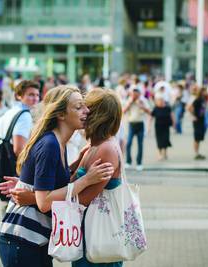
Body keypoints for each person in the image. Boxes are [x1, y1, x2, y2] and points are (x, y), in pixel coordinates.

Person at [0, 85, 114, 267]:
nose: (87, 111)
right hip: (22, 241)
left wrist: (28, 185)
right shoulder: (50, 144)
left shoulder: (59, 143)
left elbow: (53, 183)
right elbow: (44, 202)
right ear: (61, 115)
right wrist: (86, 180)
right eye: (78, 107)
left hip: (34, 242)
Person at [71, 87, 124, 267]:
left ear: (97, 115)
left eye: (85, 108)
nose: (82, 112)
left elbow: (83, 199)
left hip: (99, 239)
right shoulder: (93, 145)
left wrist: (39, 199)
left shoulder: (106, 149)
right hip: (88, 234)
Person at [0, 80, 40, 218]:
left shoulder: (8, 114)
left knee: (4, 215)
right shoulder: (24, 116)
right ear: (19, 96)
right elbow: (19, 149)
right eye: (30, 95)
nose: (35, 98)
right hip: (15, 175)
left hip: (1, 175)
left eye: (37, 95)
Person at [123, 87, 150, 170]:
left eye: (136, 94)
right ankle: (128, 161)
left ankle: (139, 163)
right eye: (133, 94)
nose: (134, 96)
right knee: (128, 143)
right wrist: (130, 103)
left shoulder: (143, 100)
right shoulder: (129, 100)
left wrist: (141, 106)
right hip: (131, 124)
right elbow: (123, 111)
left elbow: (149, 111)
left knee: (140, 144)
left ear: (139, 94)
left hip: (140, 124)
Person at [150, 93, 174, 160]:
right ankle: (160, 154)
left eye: (161, 100)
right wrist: (149, 127)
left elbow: (172, 115)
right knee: (159, 140)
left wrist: (174, 124)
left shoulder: (167, 108)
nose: (160, 102)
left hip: (166, 126)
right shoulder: (156, 108)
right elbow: (151, 117)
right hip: (158, 127)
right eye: (158, 100)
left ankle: (165, 153)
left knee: (166, 139)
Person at [188, 86, 207, 160]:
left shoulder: (203, 99)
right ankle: (196, 153)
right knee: (196, 137)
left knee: (199, 137)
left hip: (201, 119)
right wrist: (193, 116)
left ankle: (198, 152)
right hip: (197, 120)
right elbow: (189, 107)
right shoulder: (197, 100)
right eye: (205, 91)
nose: (206, 92)